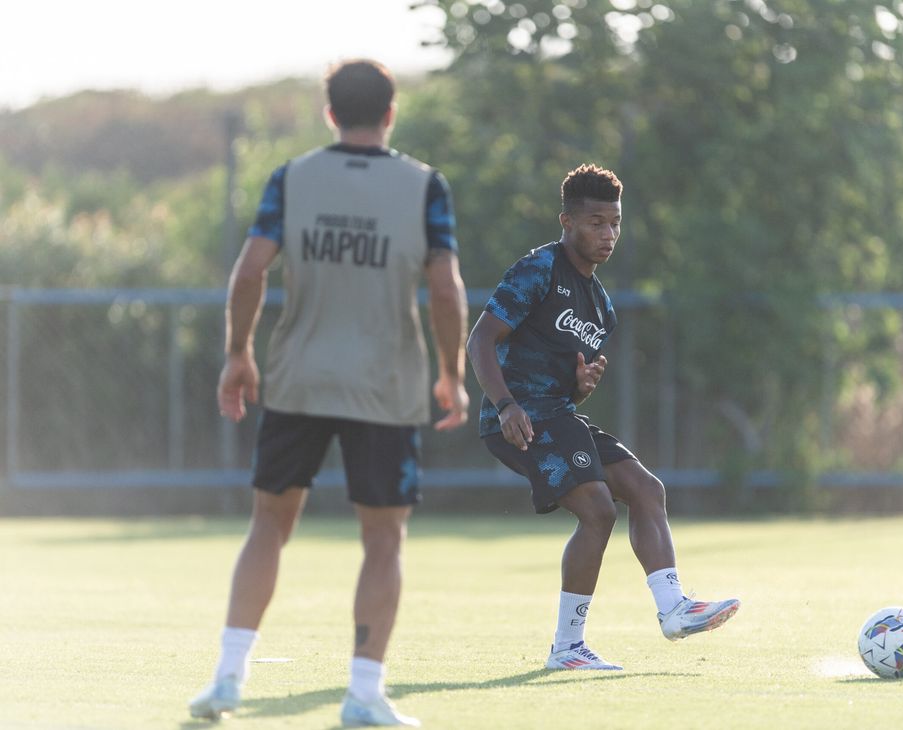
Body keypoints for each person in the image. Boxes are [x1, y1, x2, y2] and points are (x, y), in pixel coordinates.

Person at [188, 59, 469, 727]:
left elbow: (250, 269)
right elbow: (446, 287)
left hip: (298, 379)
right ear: (392, 113)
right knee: (383, 540)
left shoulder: (292, 178)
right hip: (385, 386)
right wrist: (453, 372)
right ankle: (364, 695)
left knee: (268, 527)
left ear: (330, 113)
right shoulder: (425, 186)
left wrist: (237, 354)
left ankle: (227, 680)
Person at [466, 164, 739, 671]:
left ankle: (673, 609)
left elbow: (563, 385)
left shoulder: (602, 308)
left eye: (614, 222)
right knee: (598, 511)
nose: (608, 234)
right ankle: (568, 648)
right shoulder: (539, 269)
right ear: (566, 221)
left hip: (558, 414)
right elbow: (480, 339)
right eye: (595, 222)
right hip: (518, 419)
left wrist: (580, 386)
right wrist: (505, 405)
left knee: (647, 489)